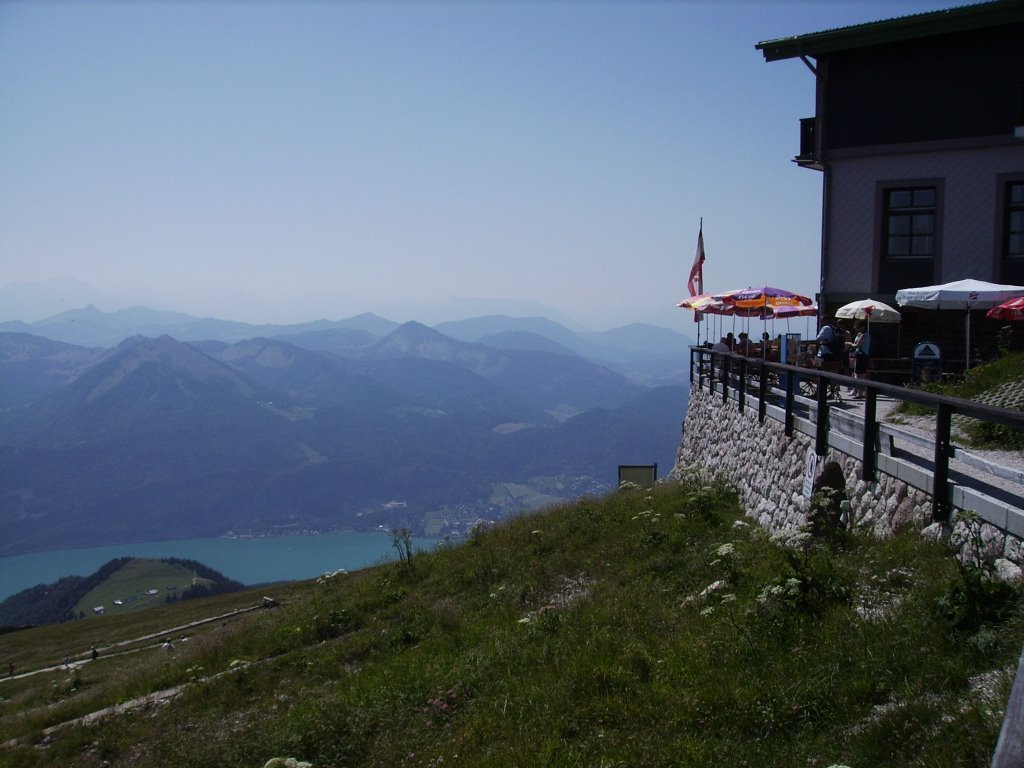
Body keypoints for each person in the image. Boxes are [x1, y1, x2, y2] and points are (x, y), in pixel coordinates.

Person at [849, 321, 871, 396]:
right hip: (858, 355)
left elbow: (857, 346)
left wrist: (849, 343)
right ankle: (856, 390)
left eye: (857, 327)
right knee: (856, 373)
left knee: (860, 375)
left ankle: (860, 393)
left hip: (862, 356)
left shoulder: (864, 335)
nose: (856, 328)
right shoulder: (859, 334)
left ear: (862, 327)